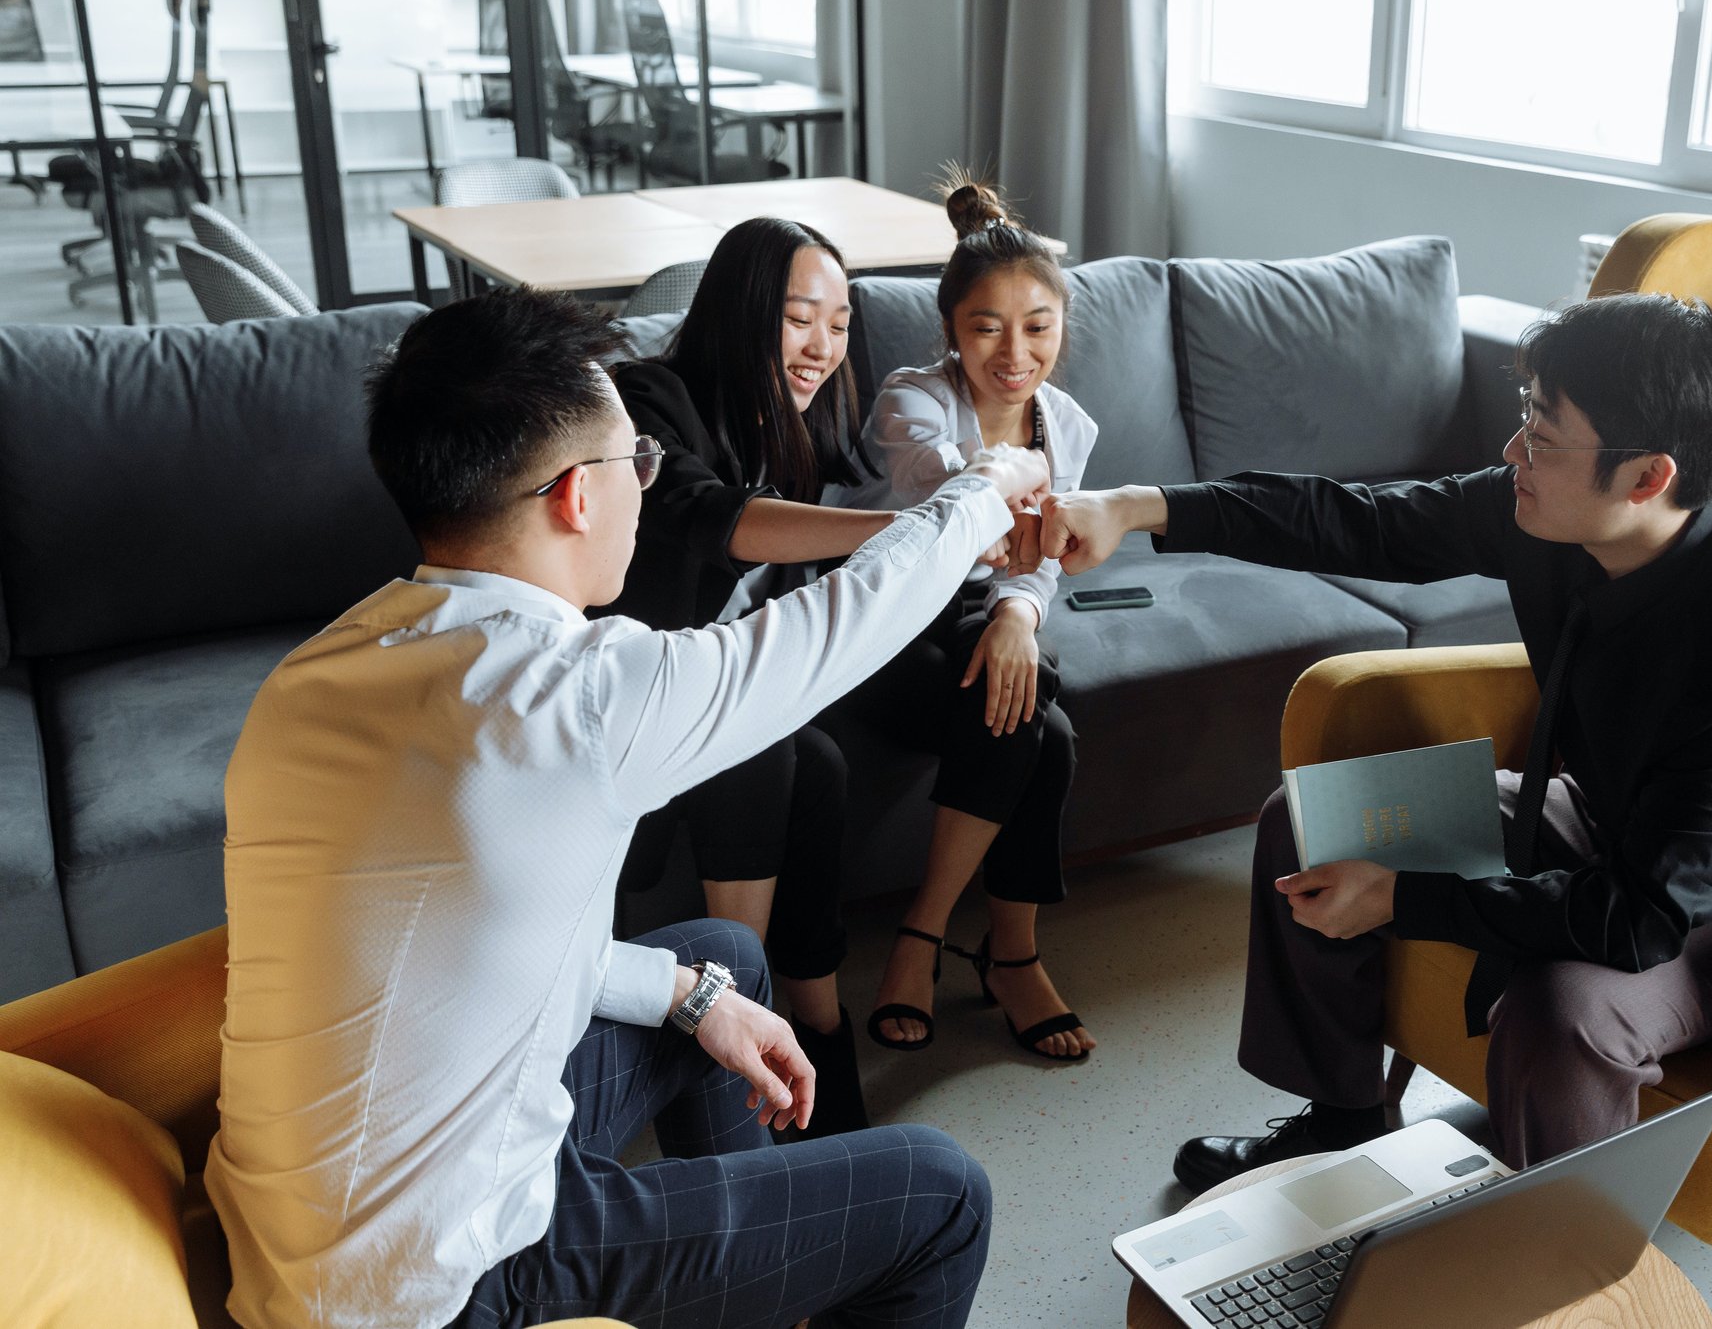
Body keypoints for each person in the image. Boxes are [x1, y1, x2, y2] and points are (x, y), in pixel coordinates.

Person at [205, 287, 1051, 1329]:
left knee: (718, 964)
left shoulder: (318, 671)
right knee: (940, 1192)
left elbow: (471, 923)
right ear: (574, 496)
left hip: (314, 1234)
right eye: (636, 462)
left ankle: (760, 1293)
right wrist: (987, 483)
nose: (646, 488)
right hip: (436, 1282)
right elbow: (841, 626)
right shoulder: (569, 698)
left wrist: (693, 999)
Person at [1035, 293, 1712, 1184]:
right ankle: (1343, 1114)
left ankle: (1560, 1274)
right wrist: (1140, 506)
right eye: (1526, 418)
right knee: (1307, 819)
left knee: (1561, 1009)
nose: (1514, 452)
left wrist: (1404, 897)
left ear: (1647, 477)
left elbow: (1646, 915)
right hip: (1608, 818)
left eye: (1542, 437)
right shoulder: (1560, 512)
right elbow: (1361, 518)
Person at [607, 216, 919, 1134]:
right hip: (630, 686)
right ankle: (737, 1010)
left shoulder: (804, 420)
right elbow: (718, 519)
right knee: (765, 754)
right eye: (798, 319)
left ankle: (815, 1014)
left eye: (840, 323)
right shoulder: (647, 397)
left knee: (818, 763)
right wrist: (905, 532)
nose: (822, 346)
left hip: (717, 679)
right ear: (742, 310)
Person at [845, 173, 1098, 1063]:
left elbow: (1040, 563)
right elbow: (945, 496)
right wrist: (1016, 543)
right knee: (1039, 720)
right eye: (987, 327)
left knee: (1040, 721)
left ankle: (947, 943)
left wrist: (1019, 617)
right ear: (952, 330)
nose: (1015, 352)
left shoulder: (1067, 424)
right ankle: (1000, 953)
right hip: (880, 623)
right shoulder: (912, 399)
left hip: (974, 620)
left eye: (1038, 326)